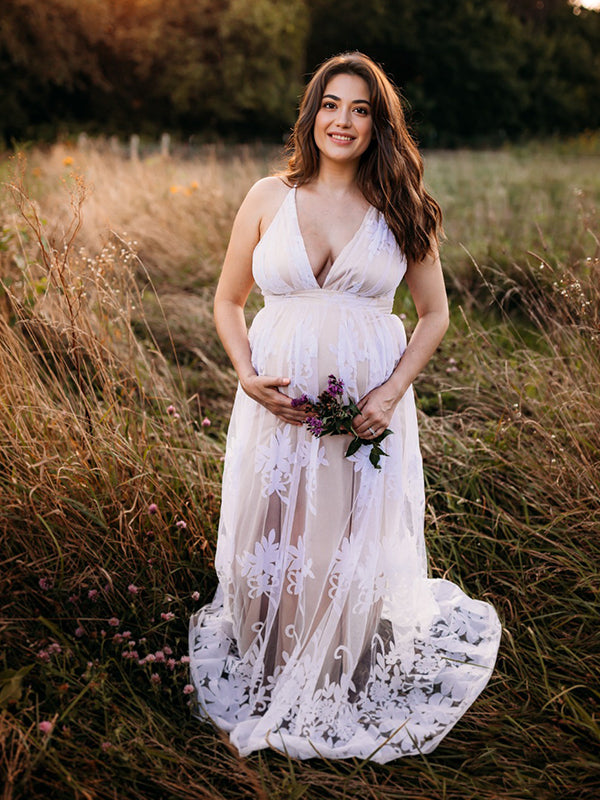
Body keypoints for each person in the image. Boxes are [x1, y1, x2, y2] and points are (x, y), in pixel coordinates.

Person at [189, 51, 501, 762]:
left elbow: (434, 315)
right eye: (332, 104)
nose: (343, 120)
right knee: (279, 530)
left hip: (364, 414)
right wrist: (244, 372)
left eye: (361, 109)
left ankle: (334, 667)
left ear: (378, 125)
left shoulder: (402, 207)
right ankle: (273, 663)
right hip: (278, 410)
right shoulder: (268, 195)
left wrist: (390, 393)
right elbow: (227, 299)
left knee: (341, 531)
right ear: (312, 113)